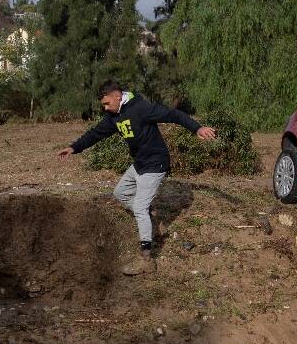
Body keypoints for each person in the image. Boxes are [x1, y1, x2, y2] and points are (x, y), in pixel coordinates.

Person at [57, 81, 216, 275]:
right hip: (140, 163)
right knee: (120, 193)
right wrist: (74, 147)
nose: (105, 108)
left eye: (107, 103)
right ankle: (149, 221)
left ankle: (146, 259)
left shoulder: (141, 108)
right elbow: (96, 133)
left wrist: (197, 128)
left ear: (117, 96)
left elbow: (173, 114)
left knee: (140, 207)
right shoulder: (113, 116)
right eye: (103, 105)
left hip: (155, 162)